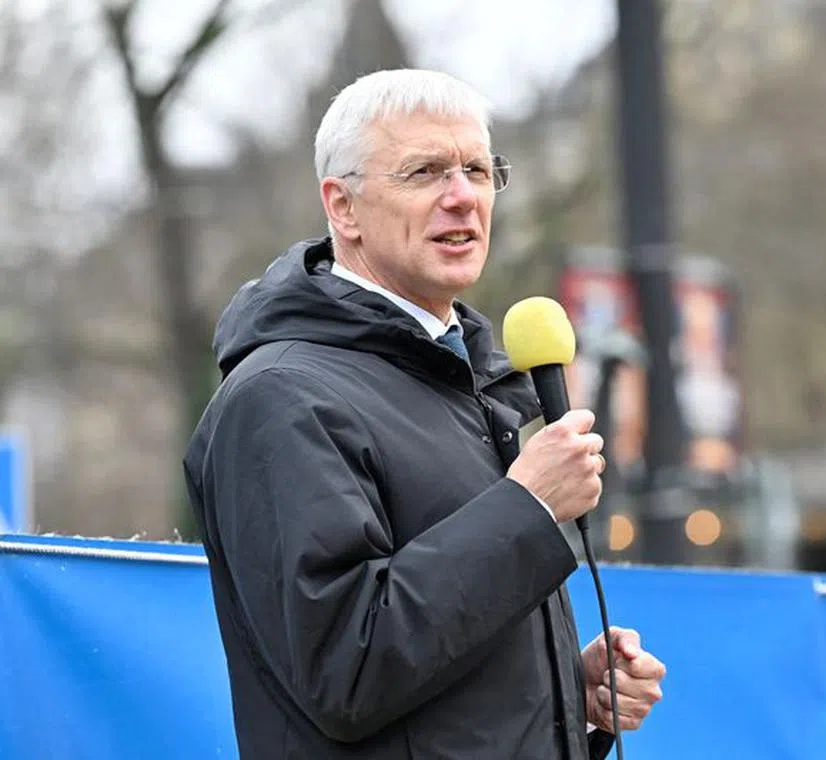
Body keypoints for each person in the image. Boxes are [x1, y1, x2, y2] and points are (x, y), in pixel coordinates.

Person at [183, 68, 666, 759]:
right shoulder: (280, 399)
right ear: (342, 207)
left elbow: (440, 662)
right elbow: (345, 670)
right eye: (425, 173)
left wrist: (568, 695)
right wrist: (526, 505)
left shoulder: (460, 377)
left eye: (477, 168)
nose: (463, 197)